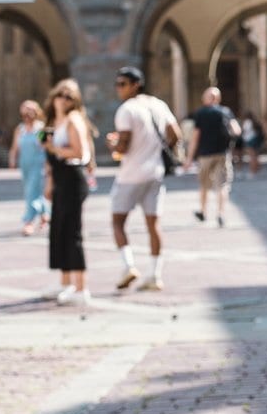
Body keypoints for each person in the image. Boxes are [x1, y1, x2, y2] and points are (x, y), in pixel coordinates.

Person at [106, 66, 180, 292]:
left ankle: (128, 266)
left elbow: (124, 144)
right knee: (153, 224)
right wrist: (157, 150)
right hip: (155, 172)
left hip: (130, 175)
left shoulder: (126, 110)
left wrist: (113, 144)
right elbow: (175, 135)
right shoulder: (158, 104)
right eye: (117, 84)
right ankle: (155, 276)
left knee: (118, 222)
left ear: (135, 84)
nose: (118, 89)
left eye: (122, 84)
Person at [43, 79, 94, 305]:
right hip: (60, 178)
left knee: (72, 232)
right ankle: (65, 282)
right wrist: (50, 182)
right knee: (59, 231)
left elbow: (80, 153)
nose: (63, 100)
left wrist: (54, 148)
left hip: (73, 178)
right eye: (60, 95)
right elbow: (47, 152)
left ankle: (81, 288)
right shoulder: (54, 122)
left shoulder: (74, 120)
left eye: (69, 97)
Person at [187, 87, 239, 227]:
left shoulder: (201, 113)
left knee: (204, 184)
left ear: (206, 98)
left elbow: (195, 137)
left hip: (205, 154)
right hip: (222, 152)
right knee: (222, 185)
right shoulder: (226, 112)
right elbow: (236, 130)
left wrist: (189, 158)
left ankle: (203, 212)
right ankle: (221, 213)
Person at [10, 99, 50, 236]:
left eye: (30, 110)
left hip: (38, 164)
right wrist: (12, 159)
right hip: (25, 163)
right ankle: (45, 213)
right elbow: (15, 147)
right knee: (32, 191)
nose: (27, 113)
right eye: (25, 110)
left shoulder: (40, 128)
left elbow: (45, 147)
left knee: (31, 192)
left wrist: (48, 164)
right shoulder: (20, 129)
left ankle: (29, 221)